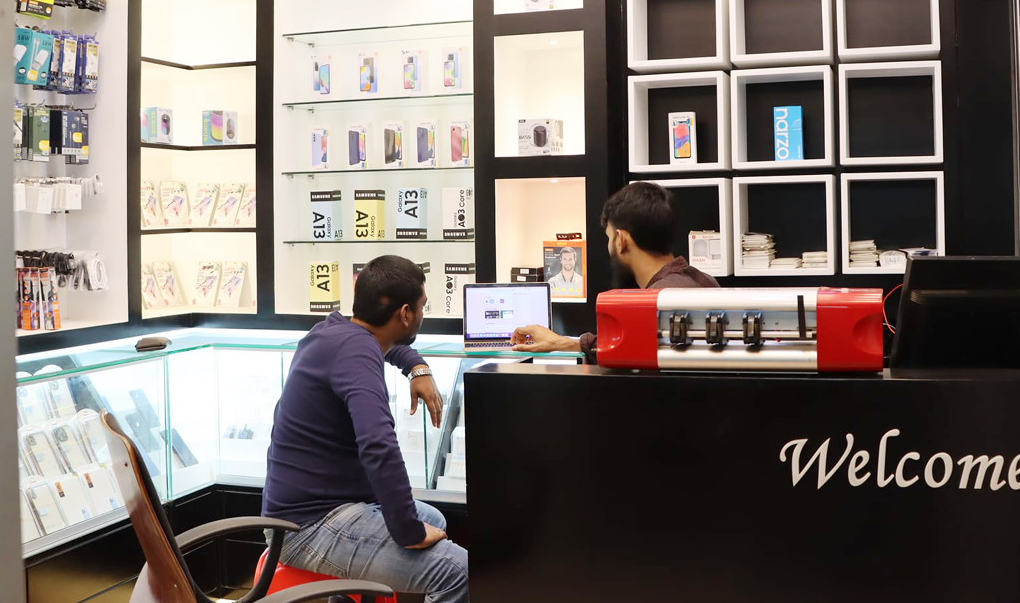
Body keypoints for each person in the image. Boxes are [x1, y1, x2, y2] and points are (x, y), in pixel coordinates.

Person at [262, 256, 468, 603]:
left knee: (434, 518)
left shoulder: (333, 330)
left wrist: (417, 367)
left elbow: (392, 346)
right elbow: (378, 446)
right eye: (422, 306)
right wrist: (408, 531)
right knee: (459, 572)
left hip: (316, 508)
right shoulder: (358, 353)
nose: (423, 313)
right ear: (405, 314)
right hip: (308, 526)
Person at [512, 182, 718, 364]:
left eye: (609, 237)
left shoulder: (654, 303)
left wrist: (560, 342)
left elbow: (621, 348)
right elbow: (623, 344)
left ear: (621, 240)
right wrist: (562, 343)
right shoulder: (706, 282)